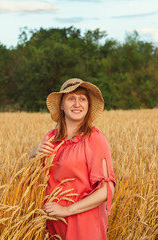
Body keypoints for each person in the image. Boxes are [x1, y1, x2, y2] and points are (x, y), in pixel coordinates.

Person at [29, 78, 116, 240]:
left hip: (83, 225)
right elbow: (33, 180)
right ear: (62, 105)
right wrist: (33, 154)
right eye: (71, 98)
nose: (77, 104)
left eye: (82, 99)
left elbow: (107, 189)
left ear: (88, 106)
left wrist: (67, 210)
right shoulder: (51, 137)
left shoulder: (94, 139)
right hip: (53, 224)